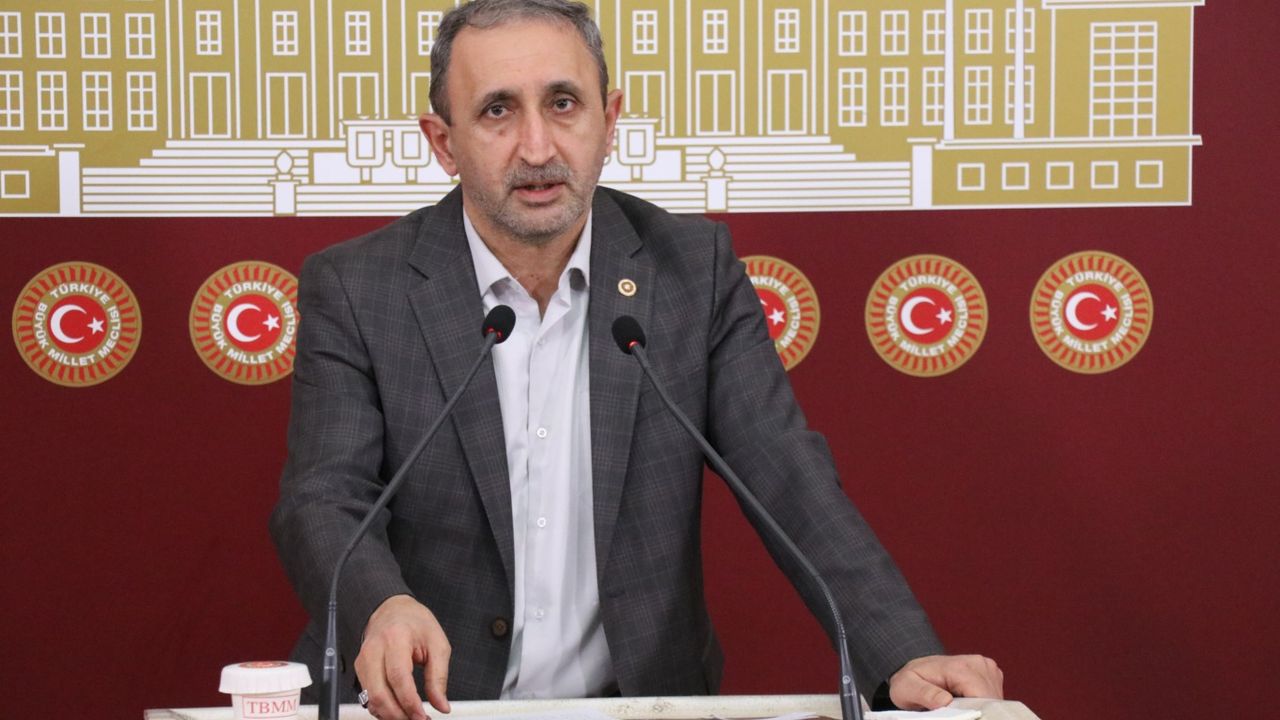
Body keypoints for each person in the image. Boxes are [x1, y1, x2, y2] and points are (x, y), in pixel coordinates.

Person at [269, 1, 1003, 719]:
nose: (537, 148)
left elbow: (787, 474)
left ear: (609, 119)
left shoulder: (692, 272)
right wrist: (381, 605)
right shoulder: (359, 287)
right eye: (497, 111)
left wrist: (900, 654)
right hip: (420, 706)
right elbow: (324, 498)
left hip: (638, 705)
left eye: (563, 104)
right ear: (443, 142)